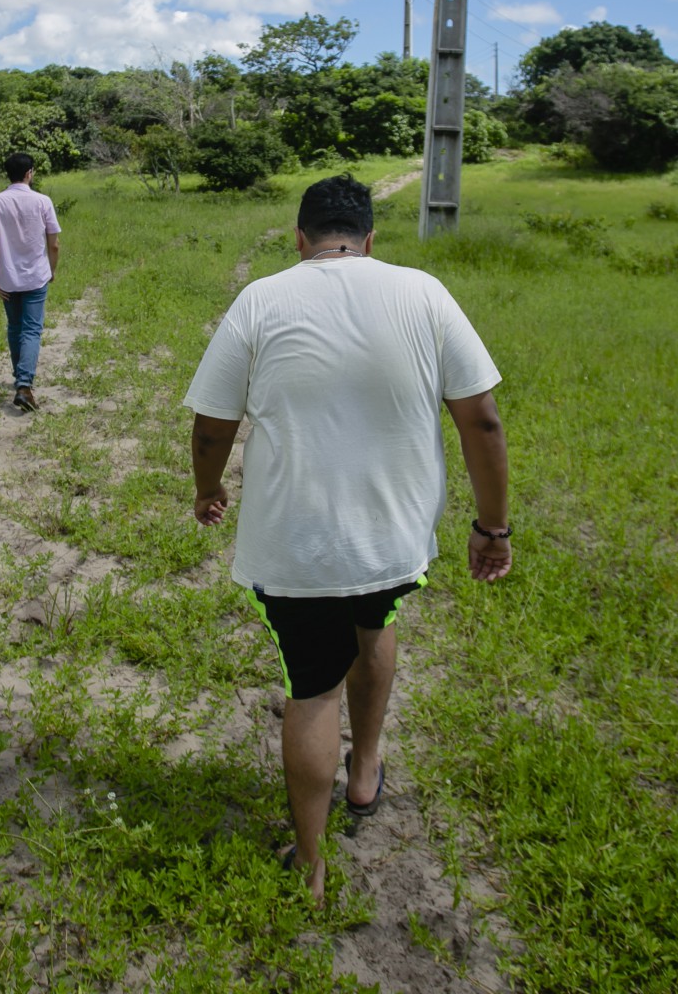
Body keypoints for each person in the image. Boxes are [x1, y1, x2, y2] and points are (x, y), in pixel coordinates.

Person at [183, 173, 512, 907]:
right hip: (390, 544)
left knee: (312, 689)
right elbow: (481, 420)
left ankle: (310, 866)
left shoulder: (262, 299)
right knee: (376, 623)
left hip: (295, 547)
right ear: (370, 239)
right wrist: (492, 525)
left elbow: (212, 425)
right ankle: (364, 775)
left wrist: (208, 490)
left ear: (299, 238)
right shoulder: (424, 293)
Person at [0, 152, 62, 412]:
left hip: (7, 276)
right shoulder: (42, 201)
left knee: (14, 327)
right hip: (36, 275)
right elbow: (54, 243)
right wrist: (51, 269)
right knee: (32, 329)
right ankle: (24, 385)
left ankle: (19, 380)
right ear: (29, 173)